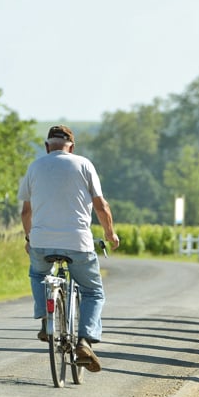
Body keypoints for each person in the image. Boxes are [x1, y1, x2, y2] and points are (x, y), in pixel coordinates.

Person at [18, 124, 120, 372]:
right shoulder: (83, 164)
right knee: (93, 292)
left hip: (41, 242)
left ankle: (46, 321)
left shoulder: (35, 167)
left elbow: (26, 211)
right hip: (78, 243)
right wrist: (110, 234)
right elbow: (101, 206)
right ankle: (84, 341)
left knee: (38, 274)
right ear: (71, 147)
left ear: (47, 147)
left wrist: (29, 238)